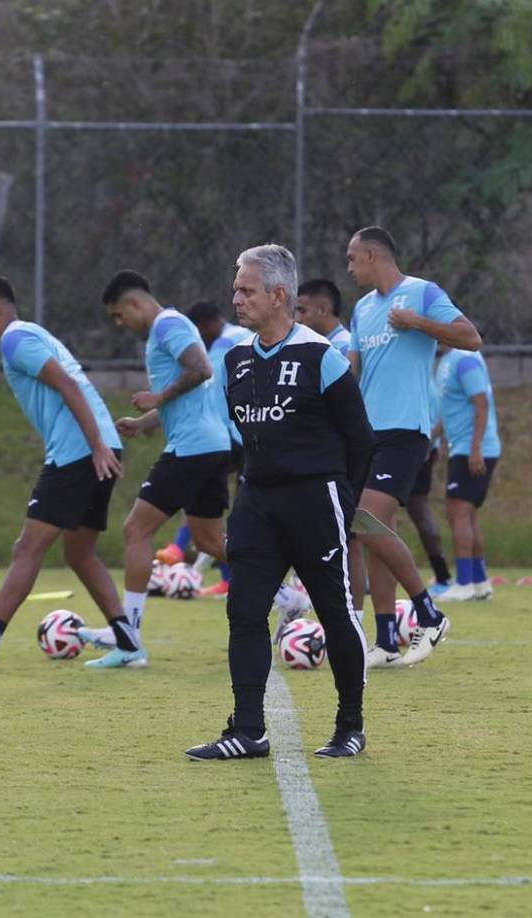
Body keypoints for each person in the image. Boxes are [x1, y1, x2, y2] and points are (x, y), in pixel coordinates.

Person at [185, 244, 374, 761]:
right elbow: (243, 437)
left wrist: (345, 502)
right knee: (243, 610)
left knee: (336, 612)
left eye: (246, 290)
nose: (237, 299)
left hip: (318, 500)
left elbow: (359, 439)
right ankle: (247, 729)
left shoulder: (321, 357)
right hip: (257, 503)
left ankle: (350, 726)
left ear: (278, 294)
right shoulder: (234, 361)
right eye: (236, 289)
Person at [0, 275, 140, 671]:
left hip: (81, 452)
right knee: (79, 552)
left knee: (28, 547)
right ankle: (129, 645)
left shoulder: (14, 338)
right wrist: (102, 444)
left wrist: (94, 446)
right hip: (99, 445)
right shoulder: (30, 335)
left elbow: (67, 388)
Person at [345, 226, 482, 667]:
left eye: (352, 259)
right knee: (375, 532)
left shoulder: (422, 293)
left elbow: (471, 338)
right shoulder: (362, 309)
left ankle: (429, 612)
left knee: (364, 521)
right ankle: (386, 642)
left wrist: (419, 324)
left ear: (371, 255)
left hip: (406, 430)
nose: (348, 268)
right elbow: (353, 372)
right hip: (367, 433)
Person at [98, 271, 232, 649]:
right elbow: (188, 394)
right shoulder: (169, 327)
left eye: (119, 315)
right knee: (209, 540)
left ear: (134, 303)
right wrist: (146, 422)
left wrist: (158, 398)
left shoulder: (166, 325)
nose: (120, 323)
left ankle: (128, 637)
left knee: (135, 530)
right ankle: (288, 599)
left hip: (192, 448)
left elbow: (201, 369)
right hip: (209, 444)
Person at [151, 300, 249, 598]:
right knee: (213, 509)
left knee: (233, 513)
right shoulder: (244, 335)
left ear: (205, 326)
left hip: (231, 434)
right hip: (258, 428)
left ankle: (181, 547)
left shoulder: (221, 346)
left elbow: (212, 395)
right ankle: (226, 577)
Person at [293, 278, 368, 620]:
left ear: (323, 310)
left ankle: (356, 617)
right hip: (319, 457)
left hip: (340, 458)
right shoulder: (315, 346)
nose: (296, 316)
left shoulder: (341, 348)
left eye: (302, 310)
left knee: (351, 538)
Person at [435, 343, 501, 601]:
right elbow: (451, 410)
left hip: (474, 448)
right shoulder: (446, 360)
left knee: (458, 513)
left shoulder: (465, 359)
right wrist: (436, 439)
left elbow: (481, 404)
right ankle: (481, 582)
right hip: (460, 446)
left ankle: (463, 584)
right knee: (467, 515)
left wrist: (475, 448)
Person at [404, 373, 453, 596]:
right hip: (420, 450)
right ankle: (442, 576)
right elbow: (443, 417)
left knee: (416, 513)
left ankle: (442, 577)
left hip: (410, 451)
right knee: (417, 512)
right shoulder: (430, 382)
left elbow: (440, 420)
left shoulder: (419, 381)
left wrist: (425, 444)